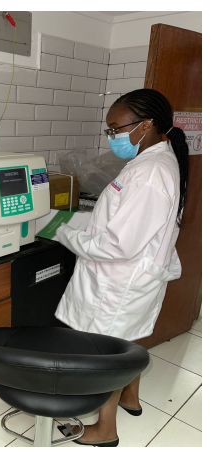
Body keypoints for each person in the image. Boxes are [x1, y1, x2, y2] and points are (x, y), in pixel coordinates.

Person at [55, 88, 189, 447]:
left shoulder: (150, 172)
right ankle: (130, 396)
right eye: (109, 129)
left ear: (146, 125)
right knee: (126, 340)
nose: (111, 136)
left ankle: (105, 430)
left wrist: (63, 233)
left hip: (119, 280)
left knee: (108, 354)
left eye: (116, 129)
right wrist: (83, 223)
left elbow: (117, 244)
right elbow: (125, 220)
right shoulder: (154, 159)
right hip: (135, 276)